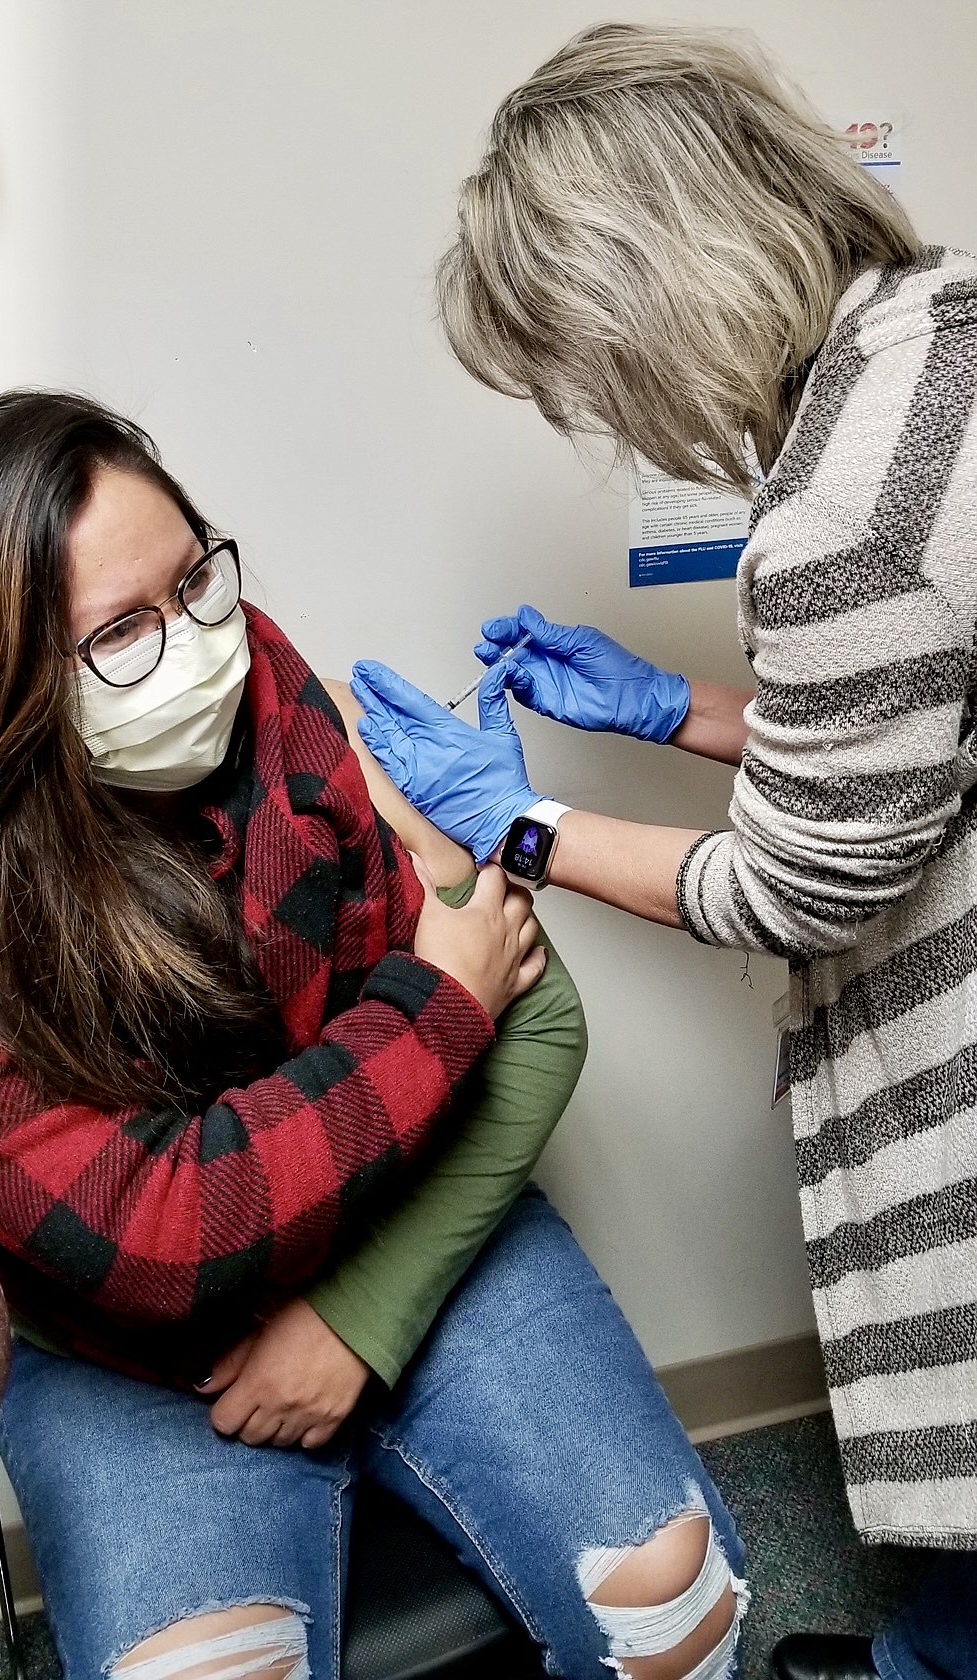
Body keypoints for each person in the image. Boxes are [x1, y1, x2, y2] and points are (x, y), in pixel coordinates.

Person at [349, 23, 977, 1680]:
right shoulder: (947, 333)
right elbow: (923, 729)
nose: (597, 415)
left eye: (576, 371)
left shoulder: (838, 502)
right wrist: (678, 708)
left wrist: (519, 828)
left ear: (646, 299)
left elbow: (797, 881)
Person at [0, 390, 748, 1680]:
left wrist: (356, 1319)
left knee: (671, 1615)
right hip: (140, 1358)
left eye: (197, 583)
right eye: (121, 630)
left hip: (408, 1232)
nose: (194, 647)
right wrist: (444, 999)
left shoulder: (290, 706)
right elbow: (166, 1231)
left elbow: (543, 1012)